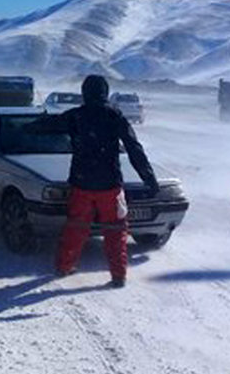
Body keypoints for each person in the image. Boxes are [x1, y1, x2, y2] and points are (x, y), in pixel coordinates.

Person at [28, 75, 159, 287]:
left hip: (82, 185)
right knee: (116, 230)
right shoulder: (115, 116)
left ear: (85, 92)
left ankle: (64, 266)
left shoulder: (76, 116)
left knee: (76, 227)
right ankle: (118, 276)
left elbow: (47, 126)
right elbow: (135, 149)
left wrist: (28, 126)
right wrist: (149, 179)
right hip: (111, 186)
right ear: (105, 93)